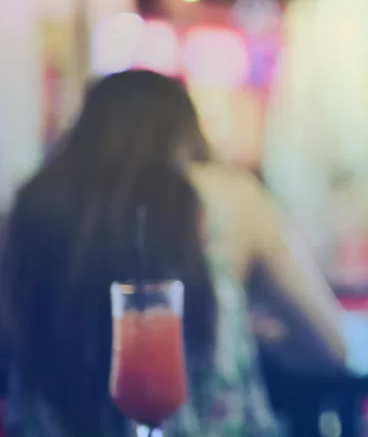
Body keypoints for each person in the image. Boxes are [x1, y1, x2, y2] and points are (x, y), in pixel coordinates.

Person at [0, 70, 349, 436]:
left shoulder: (32, 205)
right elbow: (329, 346)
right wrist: (248, 335)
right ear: (186, 130)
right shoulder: (231, 197)